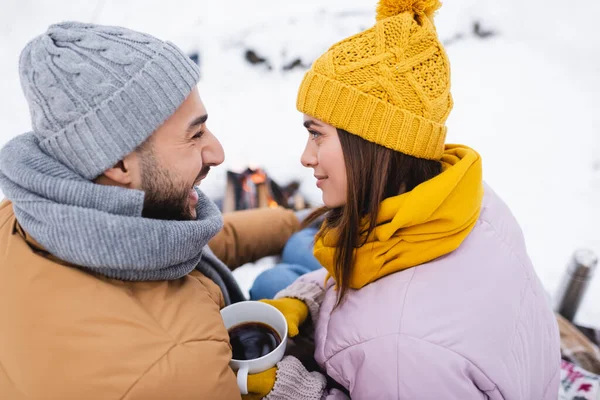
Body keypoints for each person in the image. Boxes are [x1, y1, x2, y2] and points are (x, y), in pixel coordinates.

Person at [245, 0, 562, 398]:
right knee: (286, 269)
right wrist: (307, 298)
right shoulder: (466, 200)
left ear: (373, 144)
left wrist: (299, 392)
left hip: (408, 353)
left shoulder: (399, 351)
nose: (306, 157)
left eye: (317, 133)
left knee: (271, 278)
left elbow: (401, 345)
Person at [0, 22, 303, 399]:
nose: (217, 152)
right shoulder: (174, 367)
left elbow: (196, 245)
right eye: (195, 135)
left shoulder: (22, 218)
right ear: (118, 164)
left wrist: (297, 222)